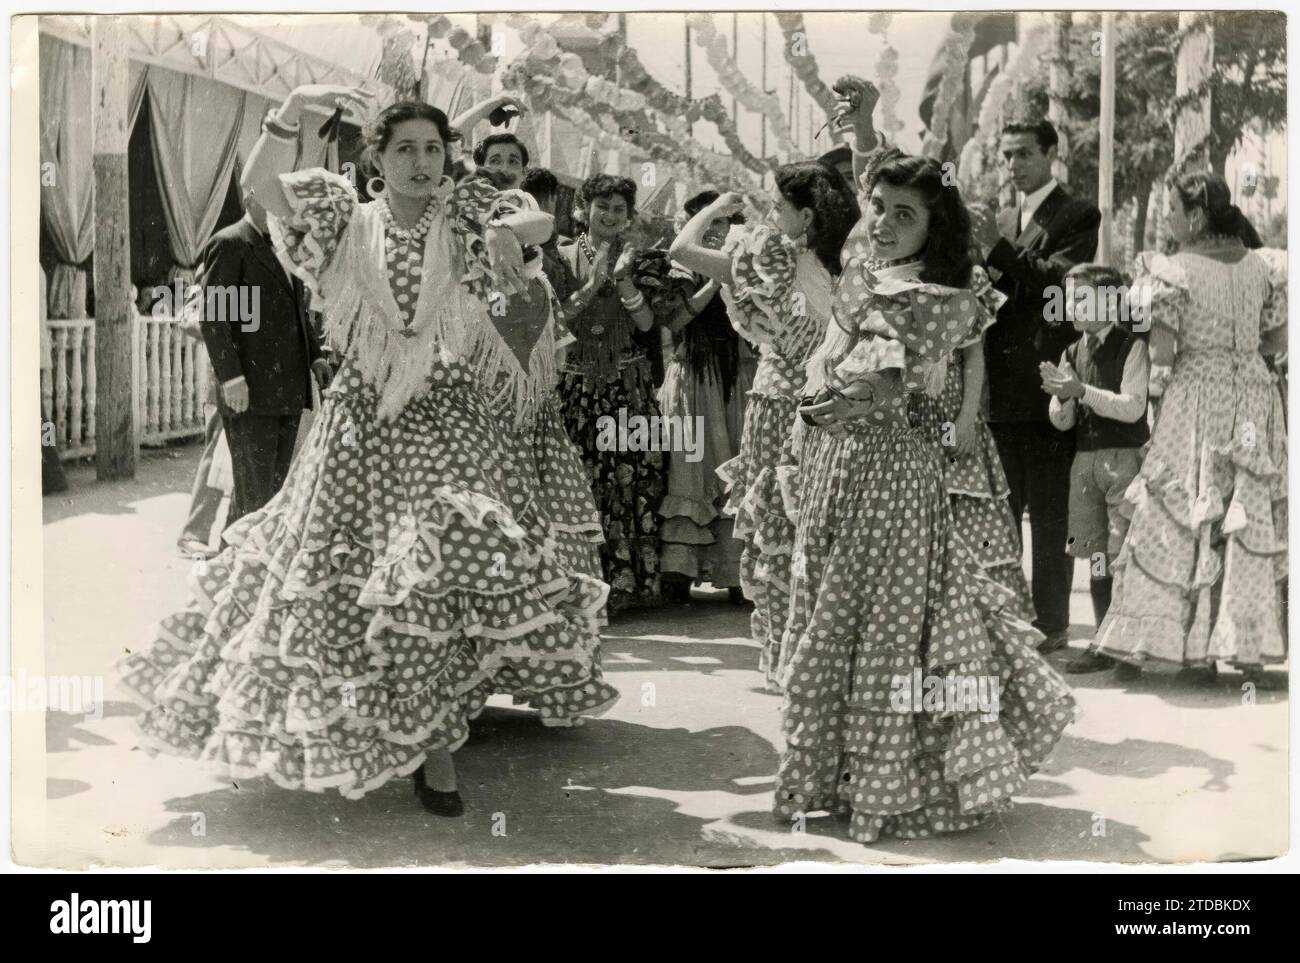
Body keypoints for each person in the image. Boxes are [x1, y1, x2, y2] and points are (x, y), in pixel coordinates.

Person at [117, 87, 617, 820]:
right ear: (376, 160)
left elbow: (536, 215)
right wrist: (290, 109)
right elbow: (259, 186)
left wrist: (516, 234)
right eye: (405, 149)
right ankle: (388, 734)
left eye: (434, 149)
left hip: (446, 419)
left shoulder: (468, 210)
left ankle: (435, 749)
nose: (422, 161)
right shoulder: (342, 218)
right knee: (344, 584)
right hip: (360, 423)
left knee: (444, 565)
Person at [773, 124, 1075, 843]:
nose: (881, 221)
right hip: (838, 474)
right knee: (833, 618)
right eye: (877, 205)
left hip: (897, 483)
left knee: (888, 629)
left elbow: (892, 383)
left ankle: (891, 784)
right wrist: (813, 419)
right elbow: (834, 359)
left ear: (935, 228)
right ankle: (840, 777)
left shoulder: (940, 300)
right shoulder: (863, 278)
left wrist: (854, 401)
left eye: (902, 214)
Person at [1094, 172, 1287, 686]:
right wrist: (1238, 350)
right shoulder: (1263, 266)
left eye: (1171, 211)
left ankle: (1187, 649)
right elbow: (1276, 342)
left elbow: (1160, 353)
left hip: (1196, 395)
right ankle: (1245, 650)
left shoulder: (1174, 271)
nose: (1167, 221)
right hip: (1252, 393)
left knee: (1181, 510)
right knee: (1243, 510)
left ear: (1196, 216)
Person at [669, 164, 857, 685]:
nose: (770, 216)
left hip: (784, 405)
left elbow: (682, 251)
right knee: (819, 533)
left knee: (782, 536)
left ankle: (787, 658)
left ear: (806, 215)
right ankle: (823, 658)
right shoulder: (850, 262)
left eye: (778, 207)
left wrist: (715, 208)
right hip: (835, 405)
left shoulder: (767, 258)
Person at [982, 117, 1101, 653]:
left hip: (1049, 383)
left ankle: (1052, 621)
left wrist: (995, 249)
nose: (1013, 165)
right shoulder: (1004, 216)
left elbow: (1059, 282)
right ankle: (1003, 616)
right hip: (999, 386)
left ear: (1052, 154)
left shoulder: (1077, 213)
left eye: (1024, 154)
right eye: (1007, 155)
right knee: (999, 512)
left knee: (1051, 514)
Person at [551, 174, 667, 612]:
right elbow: (558, 320)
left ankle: (628, 587)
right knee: (580, 481)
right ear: (584, 209)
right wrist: (594, 282)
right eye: (603, 207)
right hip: (578, 386)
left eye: (620, 209)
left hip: (627, 387)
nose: (611, 216)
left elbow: (645, 326)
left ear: (629, 214)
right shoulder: (558, 256)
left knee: (630, 481)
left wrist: (623, 282)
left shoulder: (641, 258)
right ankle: (580, 585)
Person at [1040, 264, 1151, 675]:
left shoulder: (1131, 347)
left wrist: (1080, 391)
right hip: (1085, 463)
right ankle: (1104, 643)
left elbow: (1133, 406)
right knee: (1096, 555)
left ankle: (1127, 648)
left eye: (1081, 298)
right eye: (1069, 298)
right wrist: (1061, 398)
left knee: (1122, 554)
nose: (1072, 306)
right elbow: (1062, 421)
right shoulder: (1071, 352)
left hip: (1123, 460)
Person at [196, 191, 332, 525]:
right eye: (276, 199)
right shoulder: (230, 243)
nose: (284, 210)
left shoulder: (285, 248)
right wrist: (232, 379)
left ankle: (238, 565)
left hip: (285, 390)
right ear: (252, 198)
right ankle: (236, 568)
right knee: (254, 493)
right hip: (251, 392)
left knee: (272, 493)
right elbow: (215, 319)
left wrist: (314, 357)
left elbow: (296, 312)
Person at [649, 190, 744, 601]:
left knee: (736, 465)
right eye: (706, 222)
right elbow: (676, 318)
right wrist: (716, 285)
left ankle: (736, 572)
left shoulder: (747, 262)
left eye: (721, 223)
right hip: (692, 376)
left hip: (738, 376)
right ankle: (679, 570)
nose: (714, 231)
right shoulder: (673, 267)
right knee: (688, 466)